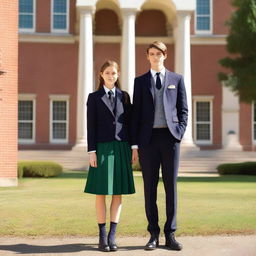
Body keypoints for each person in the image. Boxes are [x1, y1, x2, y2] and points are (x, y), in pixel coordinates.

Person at [131, 41, 188, 251]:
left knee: (170, 187)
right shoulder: (140, 82)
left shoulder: (176, 79)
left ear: (165, 55)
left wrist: (179, 133)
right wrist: (135, 144)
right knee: (149, 188)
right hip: (148, 141)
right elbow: (135, 115)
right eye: (152, 54)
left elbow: (184, 109)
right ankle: (153, 234)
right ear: (147, 56)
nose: (155, 57)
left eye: (159, 54)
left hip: (170, 139)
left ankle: (170, 234)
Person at [84, 60, 135, 252]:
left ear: (118, 75)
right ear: (101, 74)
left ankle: (113, 236)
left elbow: (129, 125)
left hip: (122, 148)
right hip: (102, 149)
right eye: (107, 73)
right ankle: (102, 236)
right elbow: (91, 126)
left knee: (117, 193)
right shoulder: (94, 97)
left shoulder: (125, 97)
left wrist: (134, 148)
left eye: (114, 73)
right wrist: (92, 152)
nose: (111, 76)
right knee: (101, 193)